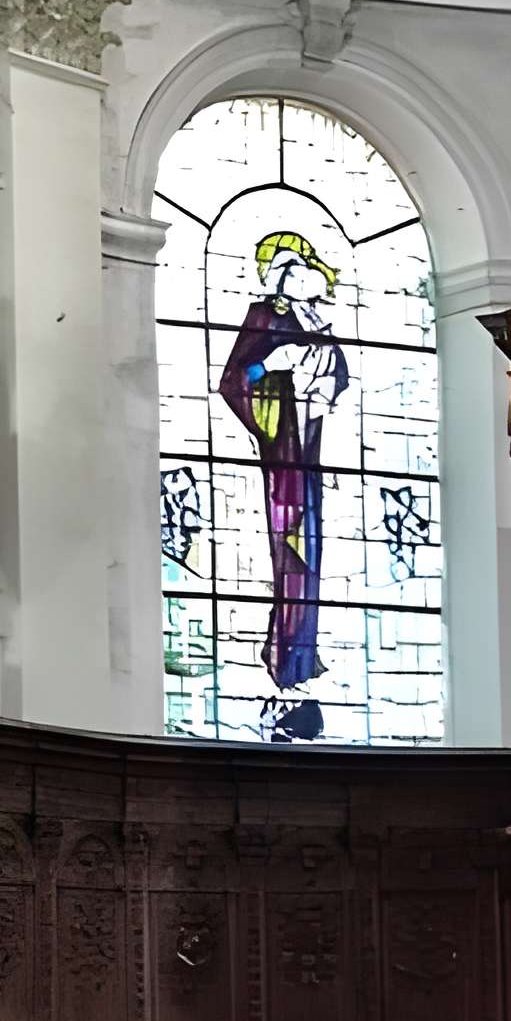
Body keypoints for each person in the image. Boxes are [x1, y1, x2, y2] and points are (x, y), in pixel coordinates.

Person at [218, 230, 351, 698]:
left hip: (311, 442)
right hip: (283, 446)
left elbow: (337, 370)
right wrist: (283, 365)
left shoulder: (314, 316)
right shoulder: (264, 315)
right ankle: (283, 652)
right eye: (290, 269)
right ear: (277, 276)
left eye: (303, 267)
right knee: (291, 539)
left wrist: (323, 381)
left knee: (310, 543)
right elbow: (236, 378)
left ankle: (303, 650)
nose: (300, 276)